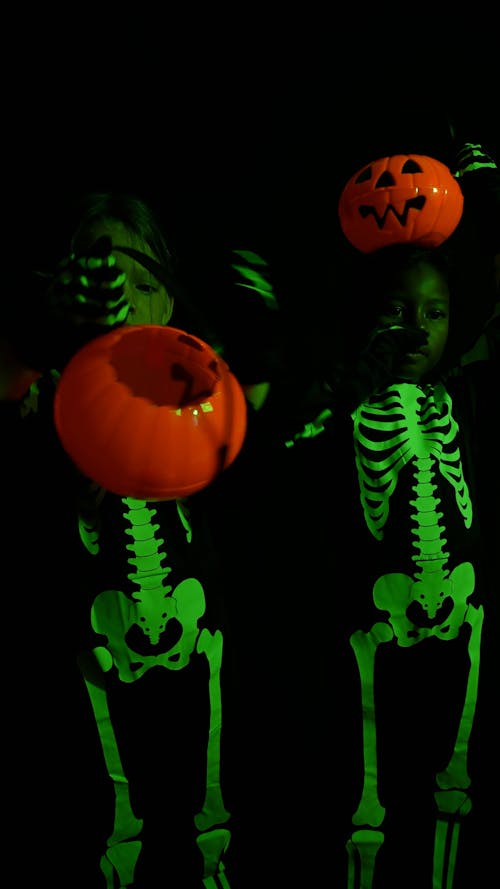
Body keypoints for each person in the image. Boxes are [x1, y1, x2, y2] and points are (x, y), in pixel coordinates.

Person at [209, 135, 499, 888]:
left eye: (433, 312)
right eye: (398, 309)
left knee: (443, 793)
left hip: (454, 647)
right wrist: (342, 391)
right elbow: (273, 462)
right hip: (355, 657)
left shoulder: (464, 401)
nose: (415, 327)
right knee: (352, 800)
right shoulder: (333, 405)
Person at [1, 191, 283, 889]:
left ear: (170, 299)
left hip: (198, 638)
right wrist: (46, 337)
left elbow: (265, 407)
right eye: (98, 277)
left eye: (144, 281)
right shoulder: (36, 386)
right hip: (78, 665)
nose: (120, 297)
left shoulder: (198, 387)